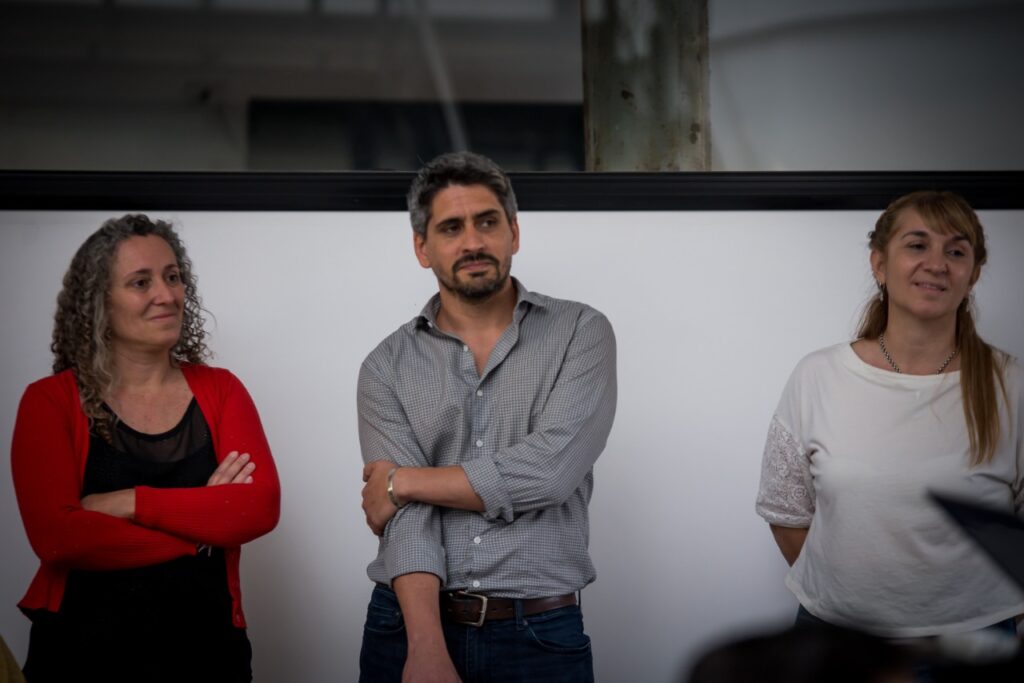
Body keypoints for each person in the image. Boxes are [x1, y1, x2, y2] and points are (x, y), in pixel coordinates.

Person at [357, 151, 617, 683]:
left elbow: (549, 473)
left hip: (539, 634)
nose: (473, 242)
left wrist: (403, 482)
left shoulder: (580, 332)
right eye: (451, 228)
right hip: (405, 626)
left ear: (514, 233)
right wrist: (425, 646)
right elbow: (406, 521)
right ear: (422, 248)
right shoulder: (385, 366)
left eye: (487, 222)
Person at [11, 215, 280, 682]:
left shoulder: (221, 390)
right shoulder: (49, 401)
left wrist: (127, 503)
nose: (167, 294)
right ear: (98, 302)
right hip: (80, 656)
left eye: (173, 277)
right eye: (141, 282)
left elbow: (258, 507)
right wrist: (200, 535)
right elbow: (57, 537)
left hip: (208, 653)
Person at [755, 191, 1023, 641]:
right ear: (879, 264)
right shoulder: (818, 376)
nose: (937, 264)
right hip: (840, 643)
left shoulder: (1011, 384)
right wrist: (849, 600)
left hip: (975, 643)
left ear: (973, 274)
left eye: (956, 252)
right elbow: (786, 512)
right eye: (917, 245)